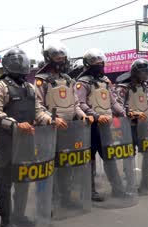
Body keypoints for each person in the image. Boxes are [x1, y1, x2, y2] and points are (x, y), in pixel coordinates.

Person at [0, 48, 55, 227]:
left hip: (27, 141)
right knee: (4, 182)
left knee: (23, 180)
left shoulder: (30, 87)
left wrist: (49, 119)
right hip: (7, 141)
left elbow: (38, 111)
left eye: (22, 62)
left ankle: (19, 215)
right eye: (16, 63)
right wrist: (16, 125)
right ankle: (6, 219)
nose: (20, 66)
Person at [34, 43, 92, 207]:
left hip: (68, 129)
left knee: (66, 164)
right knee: (47, 165)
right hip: (48, 130)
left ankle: (65, 197)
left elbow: (75, 105)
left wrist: (83, 116)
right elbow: (37, 107)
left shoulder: (68, 80)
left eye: (63, 57)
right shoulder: (41, 81)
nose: (61, 60)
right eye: (57, 57)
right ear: (49, 59)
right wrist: (50, 120)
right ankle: (45, 202)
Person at [75, 48, 131, 201]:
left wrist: (122, 113)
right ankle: (90, 190)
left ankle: (118, 188)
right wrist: (96, 116)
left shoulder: (105, 81)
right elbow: (80, 103)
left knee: (109, 157)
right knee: (90, 159)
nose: (99, 64)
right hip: (91, 126)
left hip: (107, 125)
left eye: (101, 62)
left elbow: (113, 102)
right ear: (88, 64)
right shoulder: (82, 82)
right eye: (95, 62)